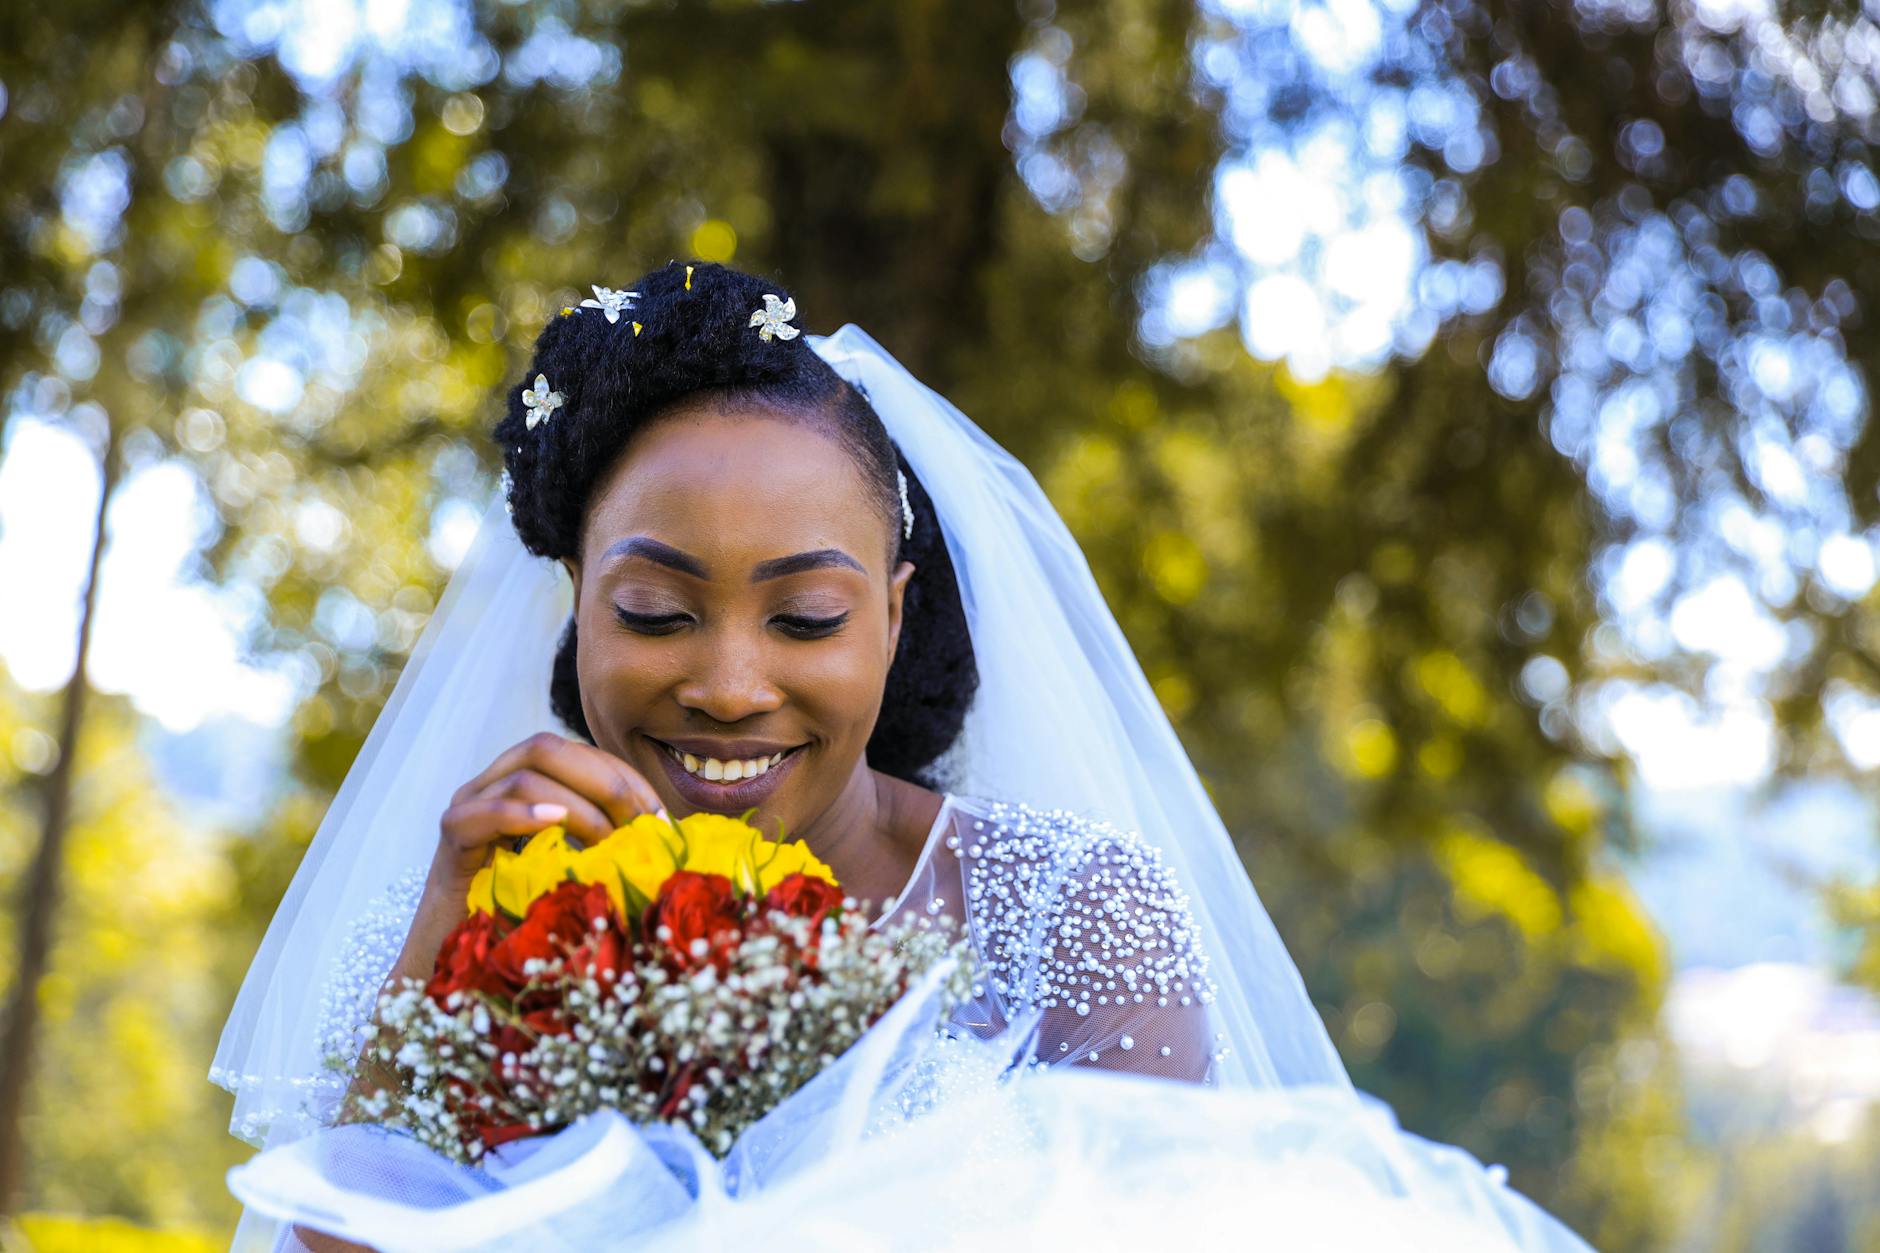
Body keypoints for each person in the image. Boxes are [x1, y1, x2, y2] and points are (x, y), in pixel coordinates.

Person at [214, 261, 1593, 1251]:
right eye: (655, 611)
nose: (730, 682)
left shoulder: (1069, 918)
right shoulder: (466, 918)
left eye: (805, 615)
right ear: (575, 596)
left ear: (894, 607)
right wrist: (435, 971)